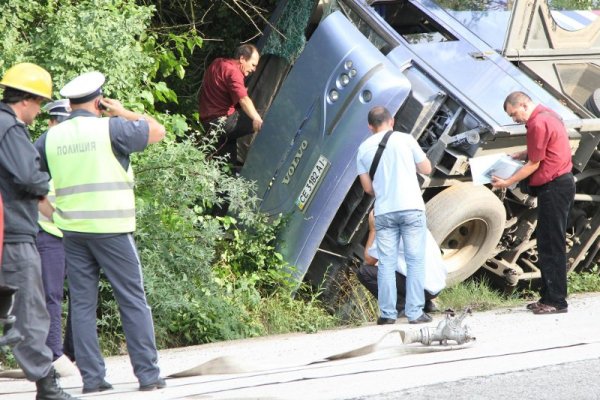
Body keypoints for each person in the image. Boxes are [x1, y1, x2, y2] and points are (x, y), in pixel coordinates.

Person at [35, 71, 167, 393]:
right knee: (132, 299)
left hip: (73, 233)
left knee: (81, 304)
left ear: (69, 104)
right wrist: (121, 111)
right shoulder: (111, 127)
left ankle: (93, 380)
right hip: (112, 229)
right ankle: (147, 376)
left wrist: (57, 215)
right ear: (99, 101)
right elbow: (158, 131)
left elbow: (26, 184)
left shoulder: (50, 138)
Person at [0, 62, 78, 400]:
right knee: (29, 310)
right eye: (39, 104)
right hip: (12, 235)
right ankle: (46, 384)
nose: (38, 112)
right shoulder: (9, 128)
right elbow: (29, 178)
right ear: (27, 101)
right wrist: (45, 186)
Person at [492, 91, 575, 315]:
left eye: (514, 114)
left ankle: (556, 301)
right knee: (548, 243)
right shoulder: (549, 114)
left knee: (551, 245)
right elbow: (542, 149)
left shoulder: (538, 123)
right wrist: (521, 154)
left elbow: (534, 164)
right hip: (560, 184)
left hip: (554, 187)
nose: (514, 119)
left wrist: (507, 181)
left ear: (523, 104)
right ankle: (548, 297)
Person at [356, 106, 432, 325]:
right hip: (411, 208)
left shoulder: (363, 149)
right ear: (392, 121)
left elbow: (368, 188)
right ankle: (415, 313)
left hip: (385, 212)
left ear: (370, 126)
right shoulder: (405, 139)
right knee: (415, 260)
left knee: (386, 263)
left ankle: (387, 315)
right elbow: (426, 168)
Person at [36, 99, 76, 372]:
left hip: (78, 233)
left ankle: (74, 354)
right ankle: (54, 355)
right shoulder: (43, 147)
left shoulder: (77, 147)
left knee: (81, 296)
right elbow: (34, 191)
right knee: (51, 296)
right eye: (61, 122)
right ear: (51, 122)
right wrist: (58, 218)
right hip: (49, 233)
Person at [357, 210, 446, 316]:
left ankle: (402, 307)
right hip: (436, 288)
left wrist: (373, 230)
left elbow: (369, 260)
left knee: (364, 272)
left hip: (423, 289)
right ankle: (426, 304)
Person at [198, 43, 263, 165]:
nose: (254, 69)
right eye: (253, 65)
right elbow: (243, 99)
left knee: (227, 164)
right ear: (242, 59)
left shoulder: (217, 62)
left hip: (207, 123)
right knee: (260, 117)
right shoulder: (234, 72)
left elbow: (220, 91)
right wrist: (256, 118)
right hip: (223, 123)